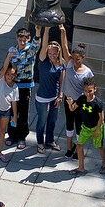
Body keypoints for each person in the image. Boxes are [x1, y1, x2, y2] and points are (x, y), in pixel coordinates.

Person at [5, 26, 40, 150]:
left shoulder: (30, 50)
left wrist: (38, 31)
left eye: (24, 40)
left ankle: (21, 136)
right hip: (14, 85)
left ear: (28, 39)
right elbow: (8, 67)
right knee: (12, 111)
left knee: (23, 112)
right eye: (20, 40)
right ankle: (12, 134)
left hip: (25, 86)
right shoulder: (12, 50)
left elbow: (36, 45)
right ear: (17, 38)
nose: (22, 42)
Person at [34, 24, 66, 153]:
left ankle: (50, 140)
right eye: (50, 53)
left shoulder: (61, 63)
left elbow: (62, 81)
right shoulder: (43, 61)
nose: (52, 55)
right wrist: (46, 30)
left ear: (58, 52)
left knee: (52, 121)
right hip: (42, 98)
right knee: (41, 121)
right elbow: (44, 44)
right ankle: (40, 142)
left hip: (55, 97)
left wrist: (60, 96)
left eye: (54, 53)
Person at [59, 39, 94, 158]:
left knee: (79, 125)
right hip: (68, 100)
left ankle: (79, 148)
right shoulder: (69, 64)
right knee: (69, 122)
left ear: (83, 58)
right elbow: (64, 46)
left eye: (77, 59)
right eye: (73, 59)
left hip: (80, 103)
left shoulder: (87, 72)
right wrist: (63, 31)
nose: (74, 62)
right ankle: (69, 146)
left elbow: (90, 90)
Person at [66, 76, 105, 175]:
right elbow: (72, 109)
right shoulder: (81, 99)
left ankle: (104, 163)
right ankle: (81, 167)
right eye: (85, 91)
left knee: (99, 146)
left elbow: (101, 118)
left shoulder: (98, 103)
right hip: (85, 127)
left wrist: (97, 130)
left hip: (96, 127)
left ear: (95, 89)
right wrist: (70, 103)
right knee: (79, 146)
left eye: (90, 91)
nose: (88, 93)